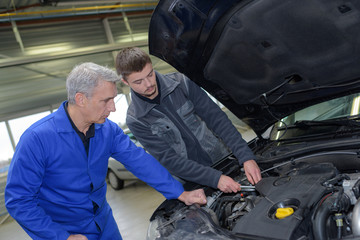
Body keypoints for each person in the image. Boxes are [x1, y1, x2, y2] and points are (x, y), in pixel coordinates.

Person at [5, 62, 207, 240]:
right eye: (106, 101)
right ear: (81, 99)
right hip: (62, 230)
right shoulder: (37, 140)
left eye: (114, 99)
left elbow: (139, 160)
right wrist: (61, 237)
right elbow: (19, 201)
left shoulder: (107, 129)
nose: (113, 108)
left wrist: (179, 193)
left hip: (104, 223)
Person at [115, 47, 262, 194]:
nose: (148, 84)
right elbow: (169, 160)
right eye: (138, 81)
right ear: (125, 82)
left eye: (150, 74)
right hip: (191, 183)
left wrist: (245, 156)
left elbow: (218, 120)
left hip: (222, 159)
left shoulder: (182, 83)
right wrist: (215, 179)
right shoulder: (136, 119)